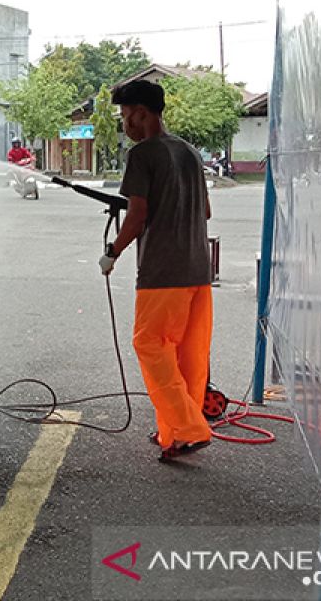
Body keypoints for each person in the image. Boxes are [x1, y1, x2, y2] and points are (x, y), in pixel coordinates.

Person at [99, 80, 214, 462]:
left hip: (163, 273)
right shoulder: (190, 152)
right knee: (187, 355)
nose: (124, 124)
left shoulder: (143, 154)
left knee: (150, 345)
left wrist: (112, 251)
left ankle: (186, 429)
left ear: (142, 113)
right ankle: (177, 430)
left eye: (125, 116)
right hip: (198, 270)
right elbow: (206, 212)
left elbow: (137, 217)